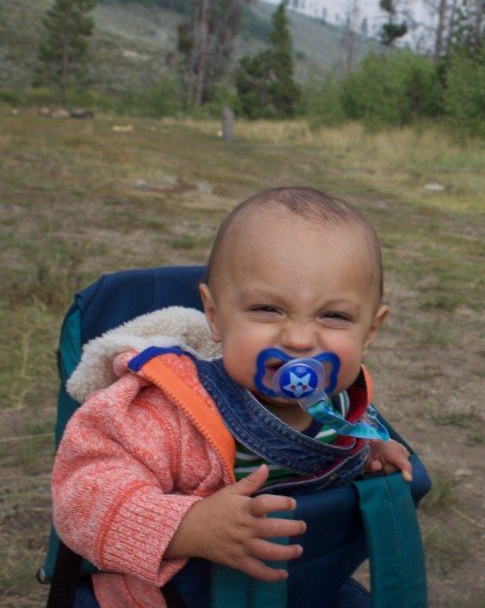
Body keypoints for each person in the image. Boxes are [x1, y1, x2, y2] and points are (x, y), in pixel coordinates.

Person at [51, 186, 413, 607]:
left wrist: (368, 454)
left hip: (297, 586)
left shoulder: (344, 408)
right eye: (267, 309)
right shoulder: (167, 411)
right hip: (172, 596)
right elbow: (80, 499)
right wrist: (186, 526)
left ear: (369, 331)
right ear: (216, 316)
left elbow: (342, 449)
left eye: (334, 316)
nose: (298, 339)